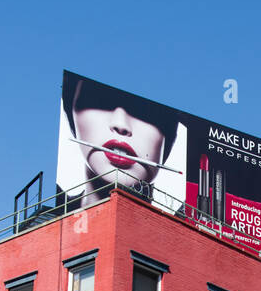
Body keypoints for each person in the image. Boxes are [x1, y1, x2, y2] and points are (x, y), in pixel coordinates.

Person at [61, 75, 182, 207]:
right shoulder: (45, 218)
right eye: (100, 100)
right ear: (71, 110)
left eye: (145, 112)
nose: (120, 124)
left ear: (169, 133)